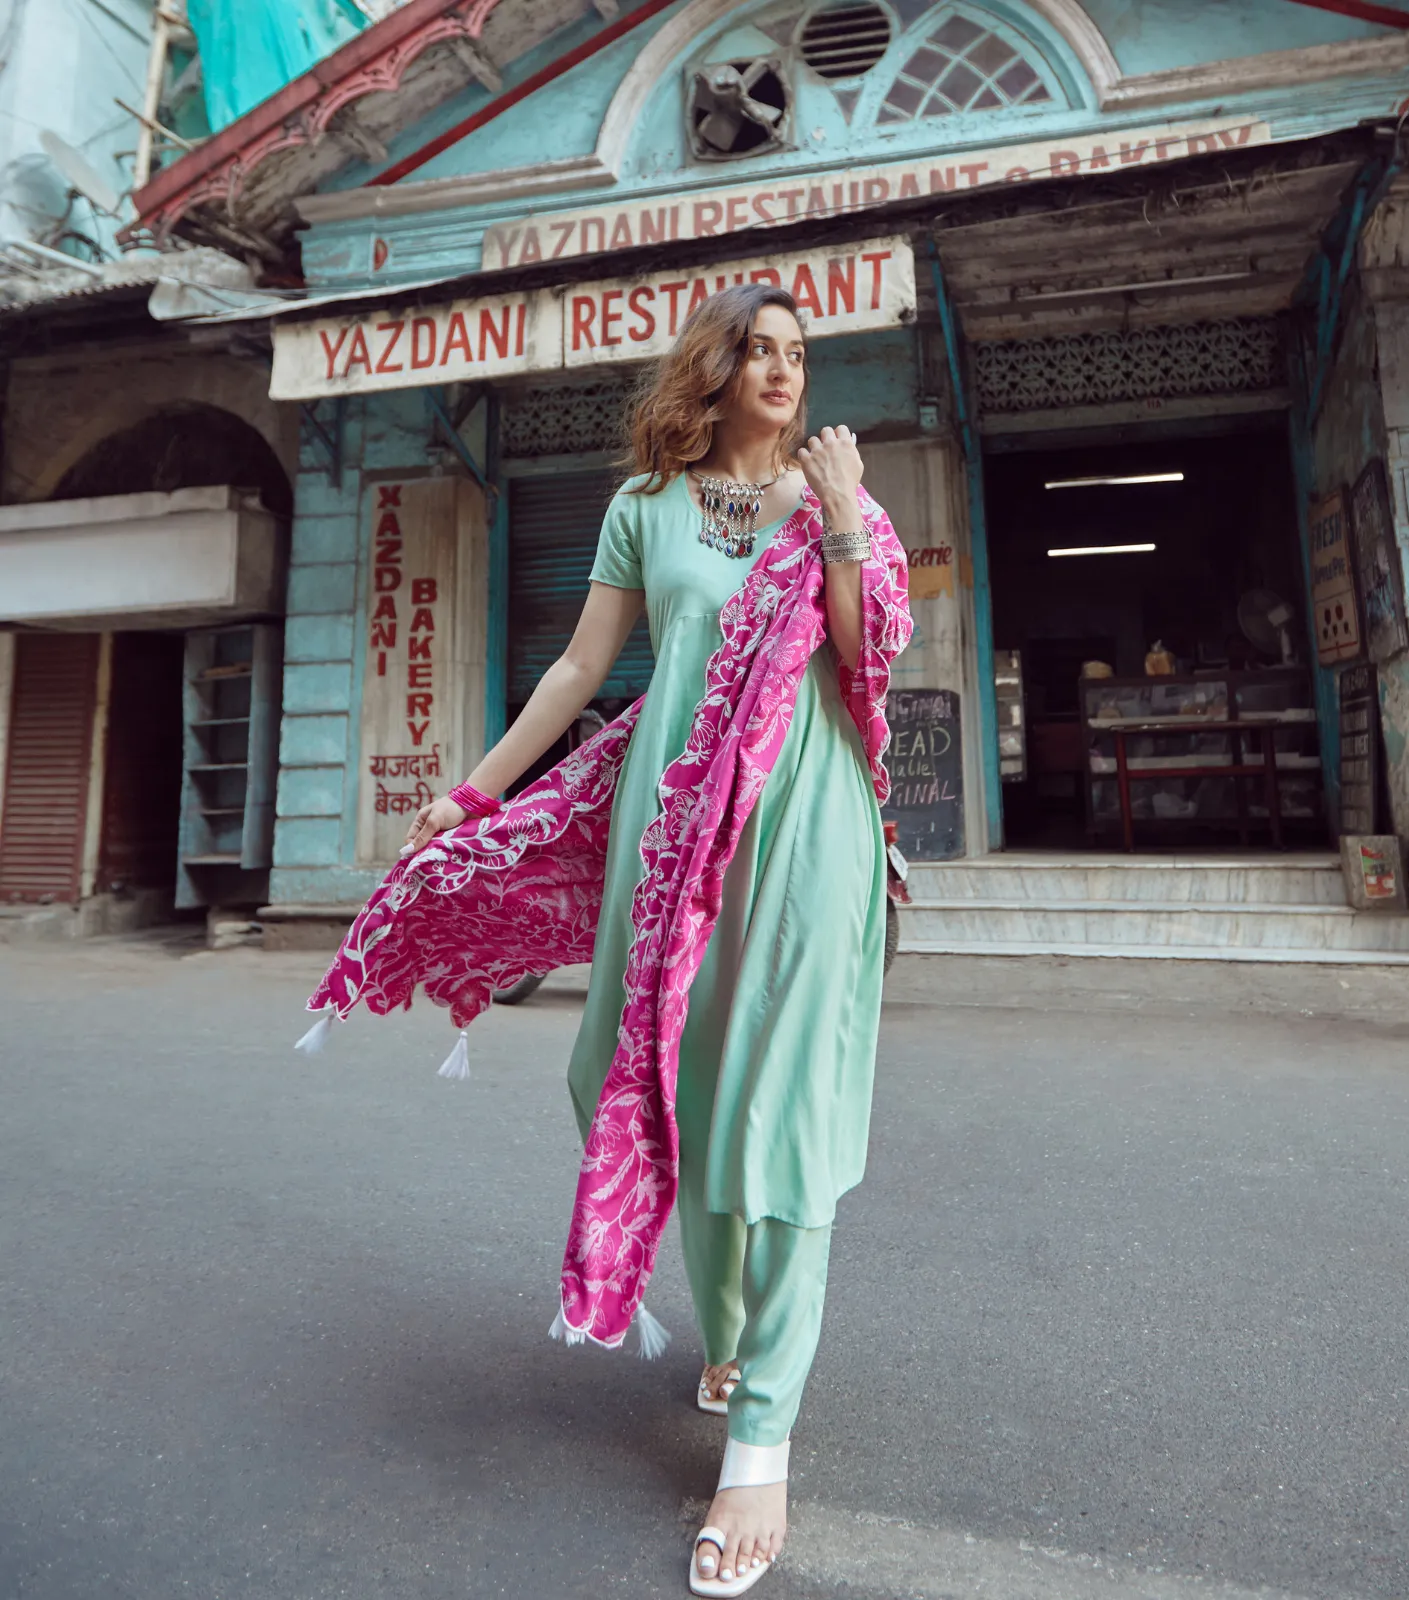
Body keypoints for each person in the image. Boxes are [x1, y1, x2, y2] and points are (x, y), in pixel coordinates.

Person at [394, 284, 909, 1596]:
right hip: (672, 834)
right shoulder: (645, 509)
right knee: (642, 1088)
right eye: (761, 349)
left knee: (781, 1109)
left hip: (807, 825)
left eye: (801, 353)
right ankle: (728, 1323)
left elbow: (865, 665)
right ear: (716, 367)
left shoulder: (835, 502)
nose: (786, 371)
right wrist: (473, 795)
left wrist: (842, 521)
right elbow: (577, 673)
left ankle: (760, 1441)